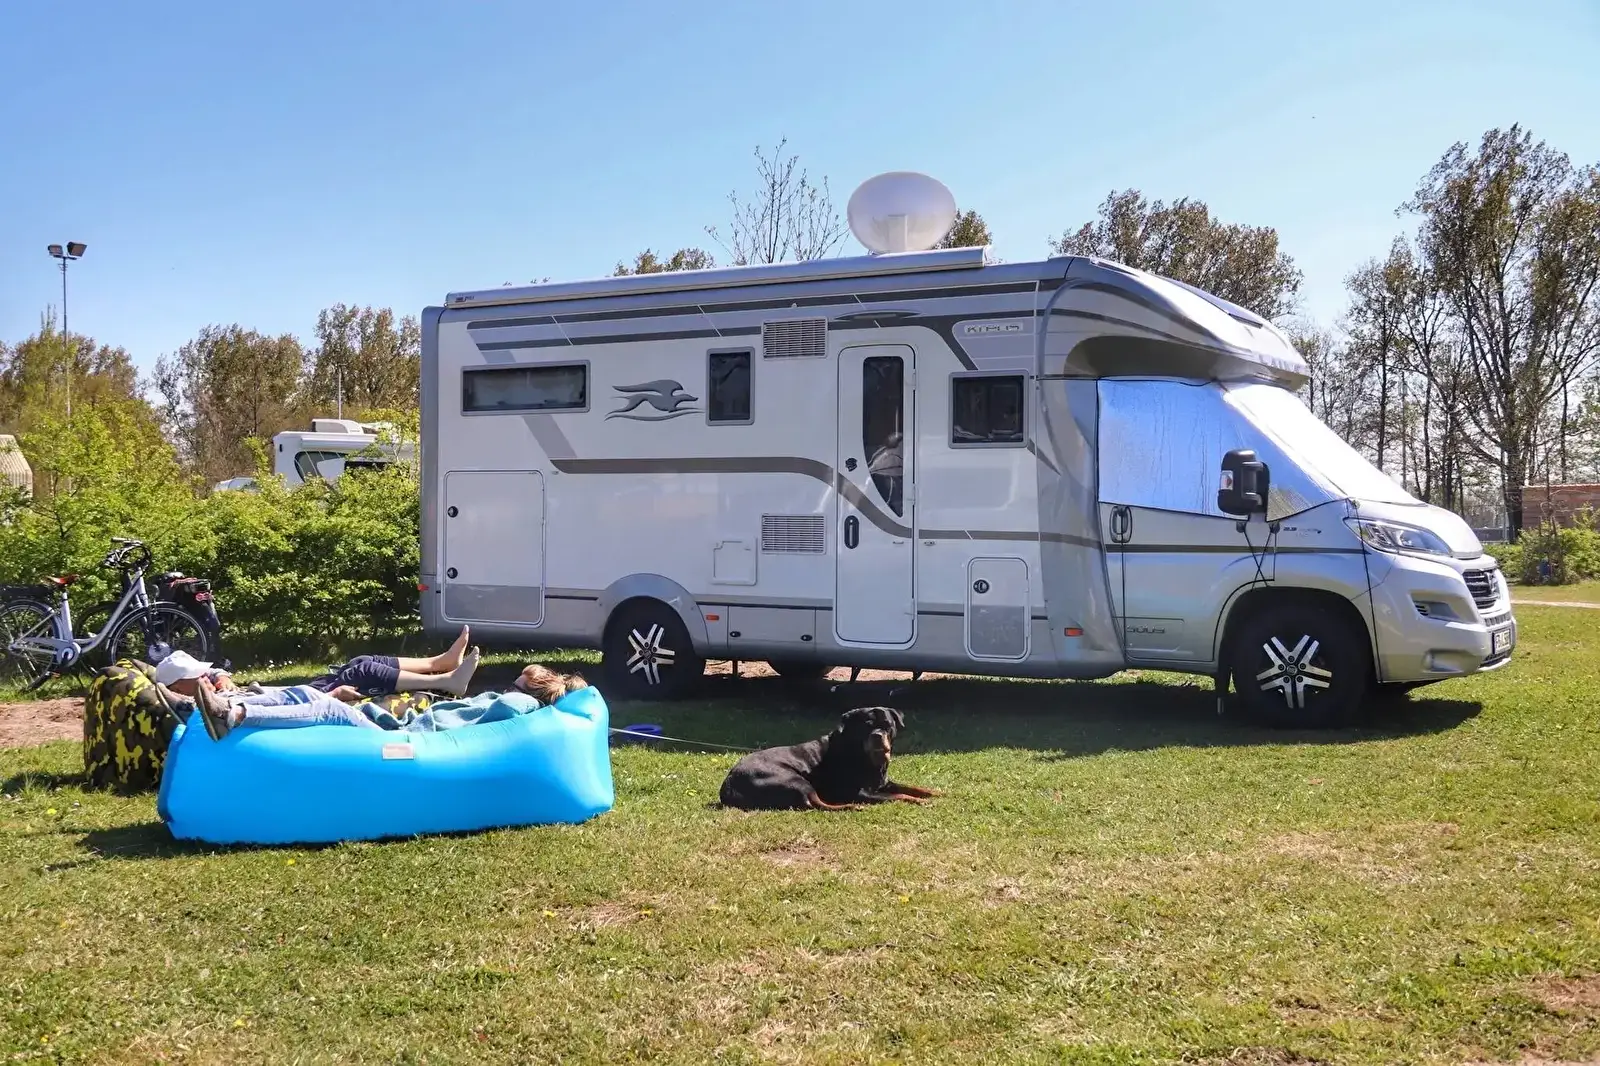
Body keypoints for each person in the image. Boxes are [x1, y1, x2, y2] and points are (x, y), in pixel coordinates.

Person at [185, 662, 587, 741]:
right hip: (398, 725)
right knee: (311, 693)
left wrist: (530, 697)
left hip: (402, 739)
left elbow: (515, 708)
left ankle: (233, 716)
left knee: (329, 708)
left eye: (516, 683)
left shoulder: (523, 708)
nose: (507, 687)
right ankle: (221, 701)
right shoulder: (516, 702)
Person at [155, 626, 481, 707]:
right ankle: (447, 681)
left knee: (360, 660)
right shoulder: (203, 707)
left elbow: (212, 674)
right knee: (361, 672)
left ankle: (440, 663)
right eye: (197, 676)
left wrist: (220, 676)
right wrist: (331, 697)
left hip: (294, 691)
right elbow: (272, 710)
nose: (205, 677)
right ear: (179, 687)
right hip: (300, 700)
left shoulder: (202, 691)